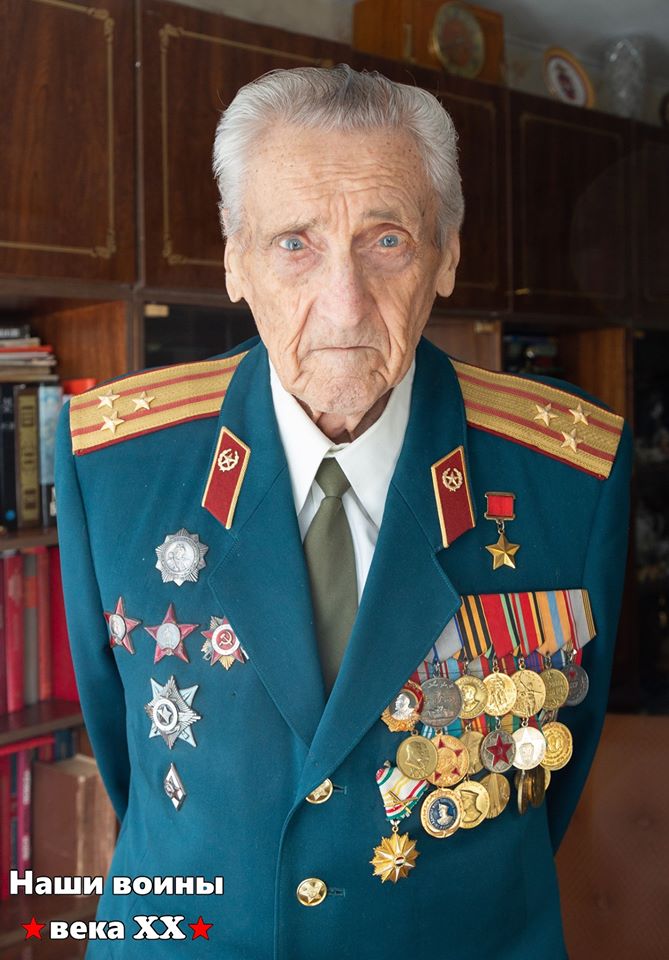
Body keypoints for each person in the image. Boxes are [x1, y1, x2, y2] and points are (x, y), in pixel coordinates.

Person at [55, 64, 631, 958]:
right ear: (234, 261)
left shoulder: (569, 470)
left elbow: (554, 769)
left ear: (445, 256)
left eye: (386, 240)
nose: (344, 304)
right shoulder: (114, 458)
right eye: (294, 243)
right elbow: (127, 754)